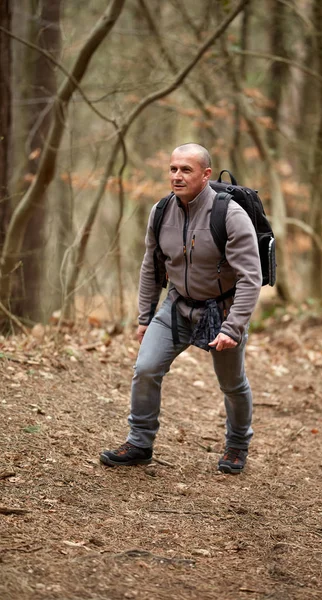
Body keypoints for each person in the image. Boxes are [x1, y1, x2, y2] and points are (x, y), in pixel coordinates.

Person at [100, 143, 262, 474]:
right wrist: (145, 318)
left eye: (186, 170)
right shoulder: (161, 211)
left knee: (232, 384)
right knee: (145, 368)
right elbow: (150, 266)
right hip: (176, 305)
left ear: (205, 175)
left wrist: (233, 328)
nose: (177, 176)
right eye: (173, 169)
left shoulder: (230, 215)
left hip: (221, 311)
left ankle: (237, 445)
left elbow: (250, 278)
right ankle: (140, 443)